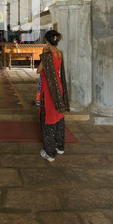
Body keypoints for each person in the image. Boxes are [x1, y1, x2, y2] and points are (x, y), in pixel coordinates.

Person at [37, 30, 69, 162]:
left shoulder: (47, 56)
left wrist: (44, 54)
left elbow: (38, 70)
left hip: (48, 91)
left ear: (47, 42)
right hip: (58, 87)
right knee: (59, 116)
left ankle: (50, 153)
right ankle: (60, 146)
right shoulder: (59, 54)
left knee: (48, 119)